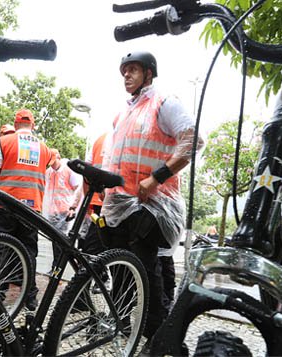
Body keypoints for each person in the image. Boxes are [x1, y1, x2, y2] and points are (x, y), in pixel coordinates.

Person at [100, 51, 202, 338]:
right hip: (122, 203)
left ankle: (157, 336)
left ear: (148, 73)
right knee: (121, 268)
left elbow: (193, 141)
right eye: (124, 71)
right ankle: (120, 322)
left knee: (146, 271)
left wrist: (157, 177)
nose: (127, 75)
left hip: (152, 204)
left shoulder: (164, 103)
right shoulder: (123, 113)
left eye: (133, 69)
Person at [0, 109, 61, 310]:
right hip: (31, 207)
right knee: (29, 250)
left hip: (6, 202)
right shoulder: (44, 148)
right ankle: (30, 296)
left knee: (0, 246)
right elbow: (51, 168)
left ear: (15, 125)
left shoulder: (3, 142)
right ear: (33, 125)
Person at [43, 158, 82, 236]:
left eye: (54, 162)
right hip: (52, 212)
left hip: (65, 211)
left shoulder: (69, 170)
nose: (52, 165)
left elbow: (78, 190)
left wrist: (73, 208)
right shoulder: (48, 172)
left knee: (63, 237)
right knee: (53, 237)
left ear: (58, 158)